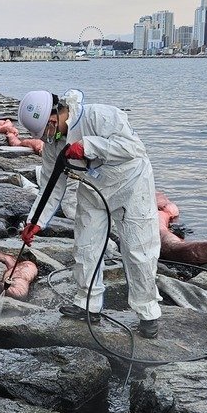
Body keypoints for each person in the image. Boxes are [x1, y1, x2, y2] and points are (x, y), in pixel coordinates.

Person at [16, 89, 163, 339]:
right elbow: (52, 185)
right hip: (94, 189)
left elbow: (133, 148)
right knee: (86, 246)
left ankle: (148, 312)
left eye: (46, 132)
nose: (47, 138)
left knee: (139, 250)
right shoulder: (54, 144)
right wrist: (35, 221)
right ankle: (88, 305)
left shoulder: (100, 116)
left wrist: (88, 147)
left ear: (52, 119)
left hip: (131, 184)